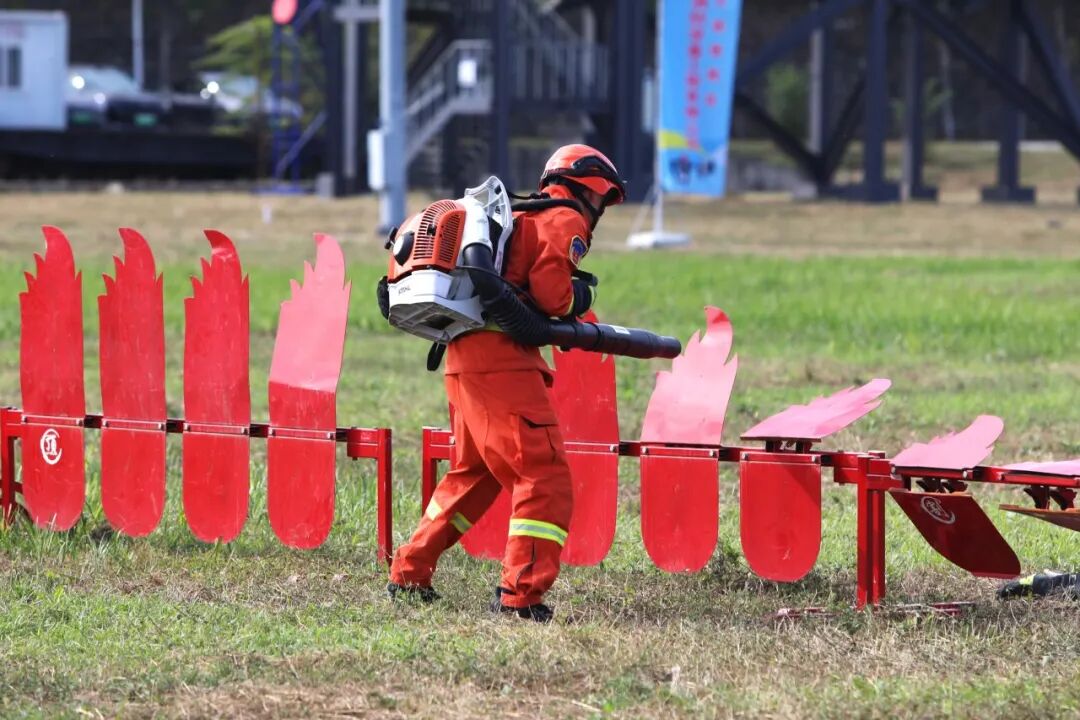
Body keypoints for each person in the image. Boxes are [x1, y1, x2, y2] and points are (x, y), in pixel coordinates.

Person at [386, 144, 627, 622]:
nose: (601, 209)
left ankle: (409, 573)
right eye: (604, 199)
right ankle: (521, 595)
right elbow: (552, 295)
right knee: (544, 477)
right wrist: (579, 297)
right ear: (593, 188)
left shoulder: (516, 215)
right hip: (502, 364)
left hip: (462, 356)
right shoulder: (564, 218)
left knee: (473, 476)